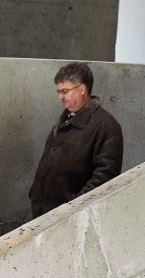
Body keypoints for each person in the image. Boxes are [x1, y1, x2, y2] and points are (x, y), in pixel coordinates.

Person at [29, 62, 123, 219]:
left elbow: (105, 176)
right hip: (45, 214)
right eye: (59, 92)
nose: (60, 97)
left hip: (73, 220)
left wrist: (74, 206)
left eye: (64, 91)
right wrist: (35, 192)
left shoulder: (106, 126)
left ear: (82, 89)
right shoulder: (65, 119)